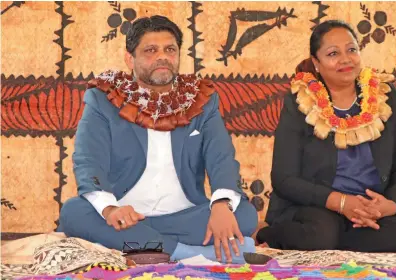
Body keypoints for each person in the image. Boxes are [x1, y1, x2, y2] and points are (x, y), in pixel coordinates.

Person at [58, 15, 257, 264]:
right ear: (129, 58)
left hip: (183, 214)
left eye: (170, 49)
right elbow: (88, 160)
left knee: (246, 215)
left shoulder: (201, 100)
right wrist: (110, 209)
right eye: (151, 50)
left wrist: (222, 205)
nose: (162, 56)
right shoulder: (103, 99)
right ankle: (189, 254)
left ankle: (143, 247)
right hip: (125, 214)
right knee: (75, 212)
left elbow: (221, 157)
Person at [256, 20, 396, 252]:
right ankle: (273, 234)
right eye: (333, 53)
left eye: (351, 50)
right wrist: (342, 203)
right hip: (317, 205)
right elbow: (284, 179)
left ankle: (333, 239)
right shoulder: (300, 102)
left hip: (369, 207)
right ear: (317, 62)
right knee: (321, 232)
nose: (345, 59)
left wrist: (387, 206)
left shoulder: (386, 95)